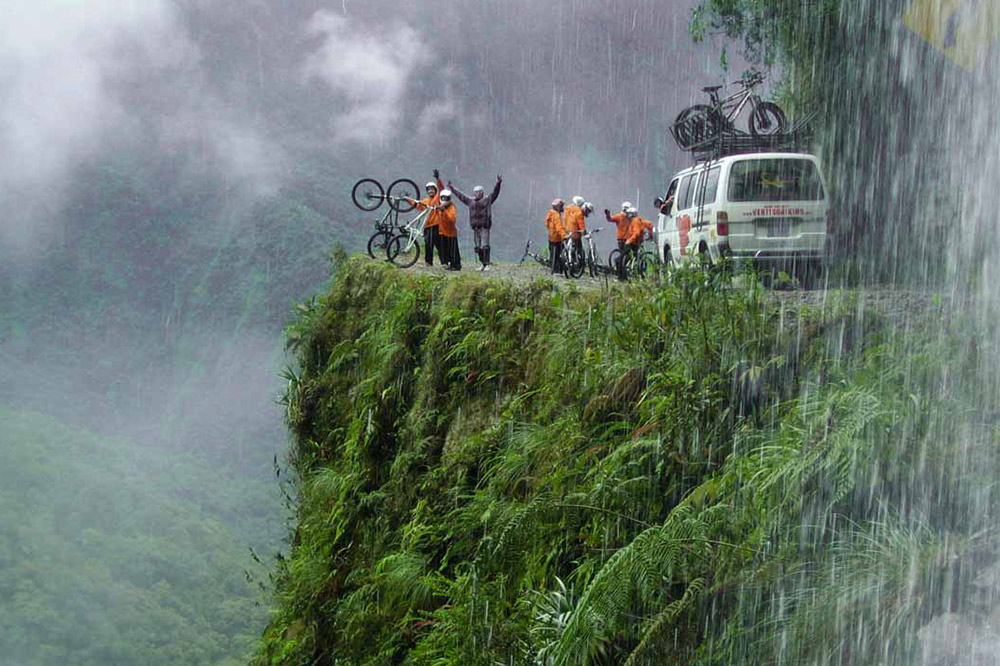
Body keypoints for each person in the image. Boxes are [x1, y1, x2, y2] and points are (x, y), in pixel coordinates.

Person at [448, 175, 502, 271]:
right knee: (478, 247)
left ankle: (487, 264)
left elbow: (495, 193)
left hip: (484, 226)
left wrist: (498, 183)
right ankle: (483, 263)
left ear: (482, 192)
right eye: (476, 192)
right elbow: (461, 196)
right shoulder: (471, 201)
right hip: (475, 226)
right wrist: (452, 188)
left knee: (485, 245)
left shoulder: (487, 200)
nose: (477, 193)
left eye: (479, 192)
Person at [407, 169, 446, 266]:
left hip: (437, 225)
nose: (431, 191)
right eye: (429, 189)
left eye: (432, 189)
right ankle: (428, 262)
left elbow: (441, 188)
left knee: (440, 245)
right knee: (428, 244)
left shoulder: (438, 198)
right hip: (428, 226)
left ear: (435, 190)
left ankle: (444, 262)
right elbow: (417, 205)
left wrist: (438, 179)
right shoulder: (425, 201)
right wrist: (408, 199)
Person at [437, 189, 461, 271]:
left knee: (453, 250)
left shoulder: (451, 208)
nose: (444, 200)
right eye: (442, 198)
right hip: (443, 232)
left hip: (451, 233)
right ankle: (450, 264)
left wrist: (444, 211)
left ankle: (456, 265)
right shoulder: (440, 207)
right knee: (446, 250)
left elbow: (451, 219)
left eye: (446, 198)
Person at [545, 199, 567, 274]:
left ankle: (552, 268)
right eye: (561, 206)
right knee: (559, 255)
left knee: (552, 254)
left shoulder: (550, 213)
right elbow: (559, 227)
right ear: (558, 207)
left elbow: (547, 223)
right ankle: (558, 270)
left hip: (551, 237)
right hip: (557, 239)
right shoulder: (556, 215)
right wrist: (564, 235)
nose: (562, 208)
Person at [564, 196, 587, 263]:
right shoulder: (578, 210)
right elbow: (580, 222)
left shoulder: (568, 208)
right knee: (578, 249)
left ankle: (566, 262)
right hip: (575, 232)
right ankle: (577, 265)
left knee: (567, 248)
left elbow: (565, 218)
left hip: (567, 230)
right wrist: (583, 231)